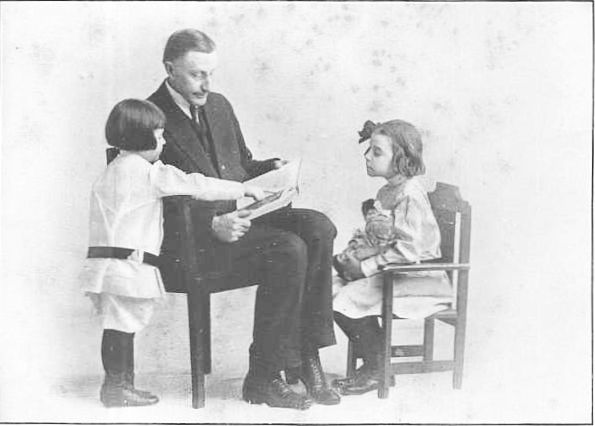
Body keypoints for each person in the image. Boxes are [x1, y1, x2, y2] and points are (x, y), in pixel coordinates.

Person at [147, 29, 340, 410]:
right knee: (287, 248)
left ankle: (305, 357)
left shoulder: (219, 105)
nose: (206, 84)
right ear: (169, 69)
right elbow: (144, 193)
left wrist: (269, 170)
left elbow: (238, 168)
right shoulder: (148, 115)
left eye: (210, 74)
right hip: (188, 245)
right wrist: (209, 225)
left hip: (240, 225)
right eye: (196, 74)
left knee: (318, 227)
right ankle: (263, 377)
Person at [79, 99, 265, 407]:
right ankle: (116, 387)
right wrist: (241, 189)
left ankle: (118, 384)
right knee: (123, 325)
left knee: (117, 324)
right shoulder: (147, 172)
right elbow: (194, 184)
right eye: (160, 135)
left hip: (104, 265)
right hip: (129, 267)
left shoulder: (110, 172)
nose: (164, 141)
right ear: (142, 137)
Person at [332, 119, 453, 396]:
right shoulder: (387, 191)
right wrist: (353, 255)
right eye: (369, 150)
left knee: (344, 299)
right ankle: (376, 361)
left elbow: (408, 251)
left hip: (420, 278)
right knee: (333, 287)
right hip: (396, 272)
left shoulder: (410, 195)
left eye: (376, 152)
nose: (367, 157)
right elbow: (381, 238)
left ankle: (377, 368)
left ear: (400, 158)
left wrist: (364, 268)